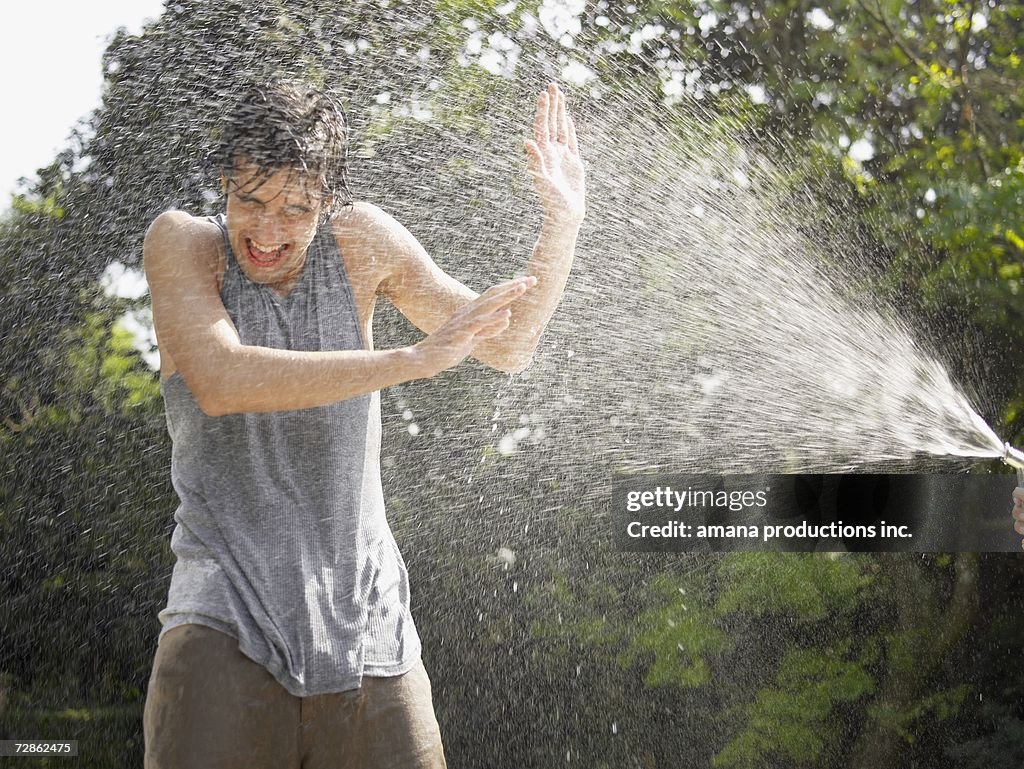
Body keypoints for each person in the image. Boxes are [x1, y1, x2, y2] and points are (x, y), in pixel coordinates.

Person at [141, 78, 585, 769]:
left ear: (329, 200)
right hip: (224, 630)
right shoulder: (185, 244)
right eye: (249, 200)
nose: (266, 230)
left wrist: (562, 225)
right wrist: (409, 359)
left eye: (295, 208)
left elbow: (507, 344)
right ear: (225, 181)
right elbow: (223, 380)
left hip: (373, 639)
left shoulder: (361, 244)